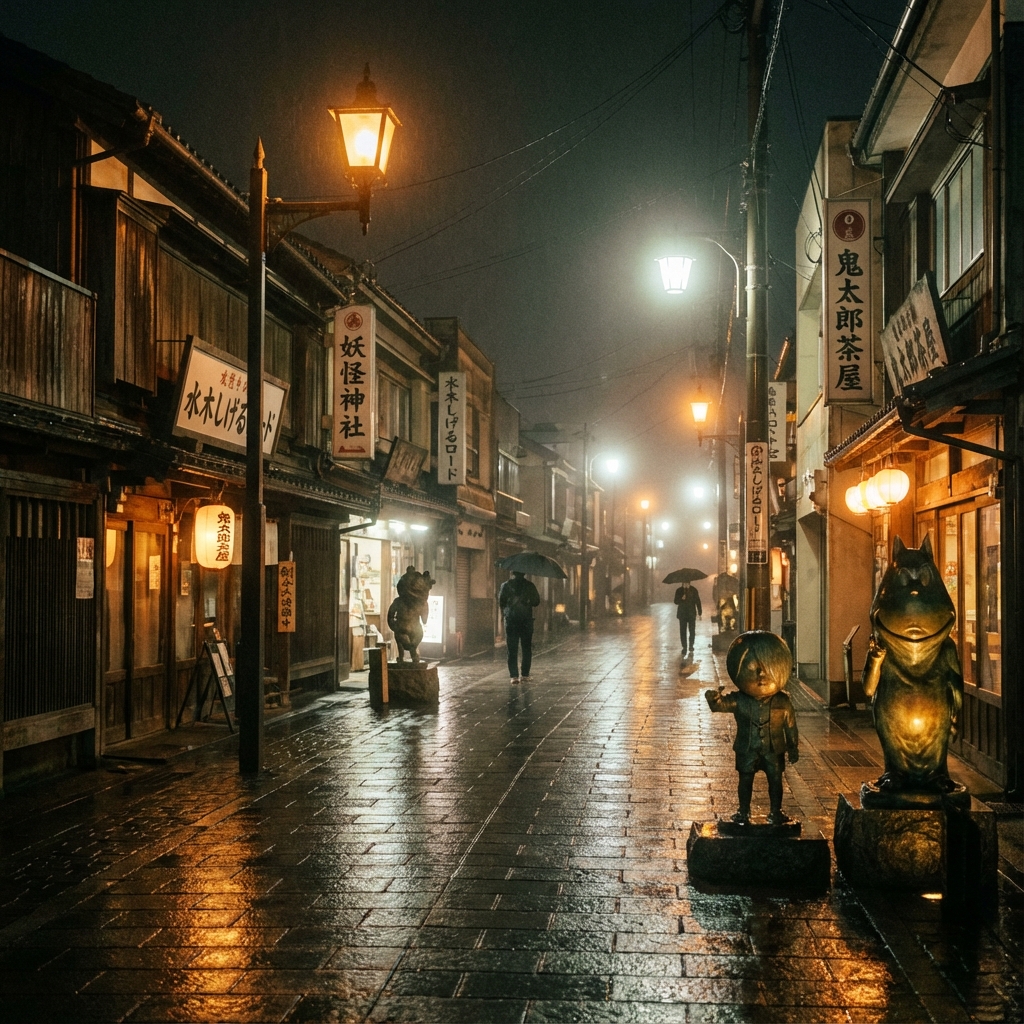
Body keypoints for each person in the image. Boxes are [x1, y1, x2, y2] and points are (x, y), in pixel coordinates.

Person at [705, 631, 799, 826]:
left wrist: (793, 747)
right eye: (753, 668)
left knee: (775, 781)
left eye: (767, 668)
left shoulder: (783, 700)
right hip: (747, 747)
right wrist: (713, 698)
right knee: (745, 780)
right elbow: (720, 705)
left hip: (774, 748)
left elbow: (790, 726)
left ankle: (776, 811)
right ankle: (743, 811)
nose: (761, 674)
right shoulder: (740, 700)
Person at [499, 570, 540, 684]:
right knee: (526, 648)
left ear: (513, 573)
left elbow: (501, 602)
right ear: (524, 573)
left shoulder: (505, 586)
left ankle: (514, 676)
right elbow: (536, 601)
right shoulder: (530, 586)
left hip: (511, 621)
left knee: (512, 649)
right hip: (526, 621)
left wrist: (508, 607)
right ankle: (525, 675)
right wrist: (527, 601)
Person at [673, 582, 702, 654]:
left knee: (692, 630)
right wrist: (681, 599)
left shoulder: (694, 590)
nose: (686, 585)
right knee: (683, 631)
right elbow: (675, 601)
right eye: (684, 583)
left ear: (689, 583)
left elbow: (697, 601)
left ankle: (691, 645)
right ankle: (684, 647)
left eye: (687, 583)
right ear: (682, 583)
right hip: (682, 614)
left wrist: (699, 612)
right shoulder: (679, 590)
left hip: (691, 613)